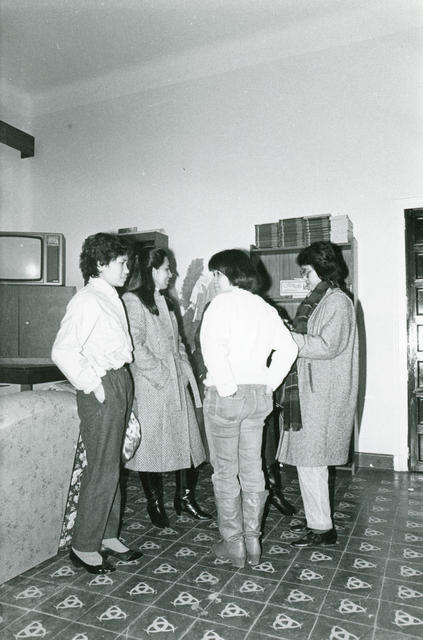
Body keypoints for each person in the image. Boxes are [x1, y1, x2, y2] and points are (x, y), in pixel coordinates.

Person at [200, 249, 298, 568]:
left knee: (226, 472)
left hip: (227, 396)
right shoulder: (263, 307)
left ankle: (234, 544)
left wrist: (227, 387)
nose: (214, 281)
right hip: (258, 396)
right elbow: (289, 347)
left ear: (225, 274)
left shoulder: (220, 305)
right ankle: (253, 541)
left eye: (215, 274)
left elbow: (213, 349)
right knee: (253, 468)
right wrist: (269, 383)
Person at [51, 232, 142, 574]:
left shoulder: (109, 296)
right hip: (102, 384)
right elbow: (63, 351)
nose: (127, 269)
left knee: (112, 465)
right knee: (102, 466)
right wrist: (95, 386)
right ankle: (84, 545)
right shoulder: (87, 300)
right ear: (100, 264)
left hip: (119, 379)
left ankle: (107, 534)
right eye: (121, 263)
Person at [277, 240, 359, 548]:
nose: (303, 279)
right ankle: (316, 518)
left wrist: (287, 336)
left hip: (322, 396)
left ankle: (323, 529)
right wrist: (291, 333)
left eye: (307, 272)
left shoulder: (337, 302)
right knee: (309, 462)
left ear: (323, 269)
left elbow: (326, 346)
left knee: (312, 462)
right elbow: (312, 338)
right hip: (313, 393)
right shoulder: (323, 299)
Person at [122, 245, 211, 527]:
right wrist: (161, 373)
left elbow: (179, 342)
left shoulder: (167, 301)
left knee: (188, 441)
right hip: (152, 384)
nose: (171, 274)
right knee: (151, 449)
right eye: (165, 269)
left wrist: (183, 369)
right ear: (150, 271)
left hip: (176, 381)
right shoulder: (132, 300)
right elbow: (135, 345)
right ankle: (155, 503)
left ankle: (185, 499)